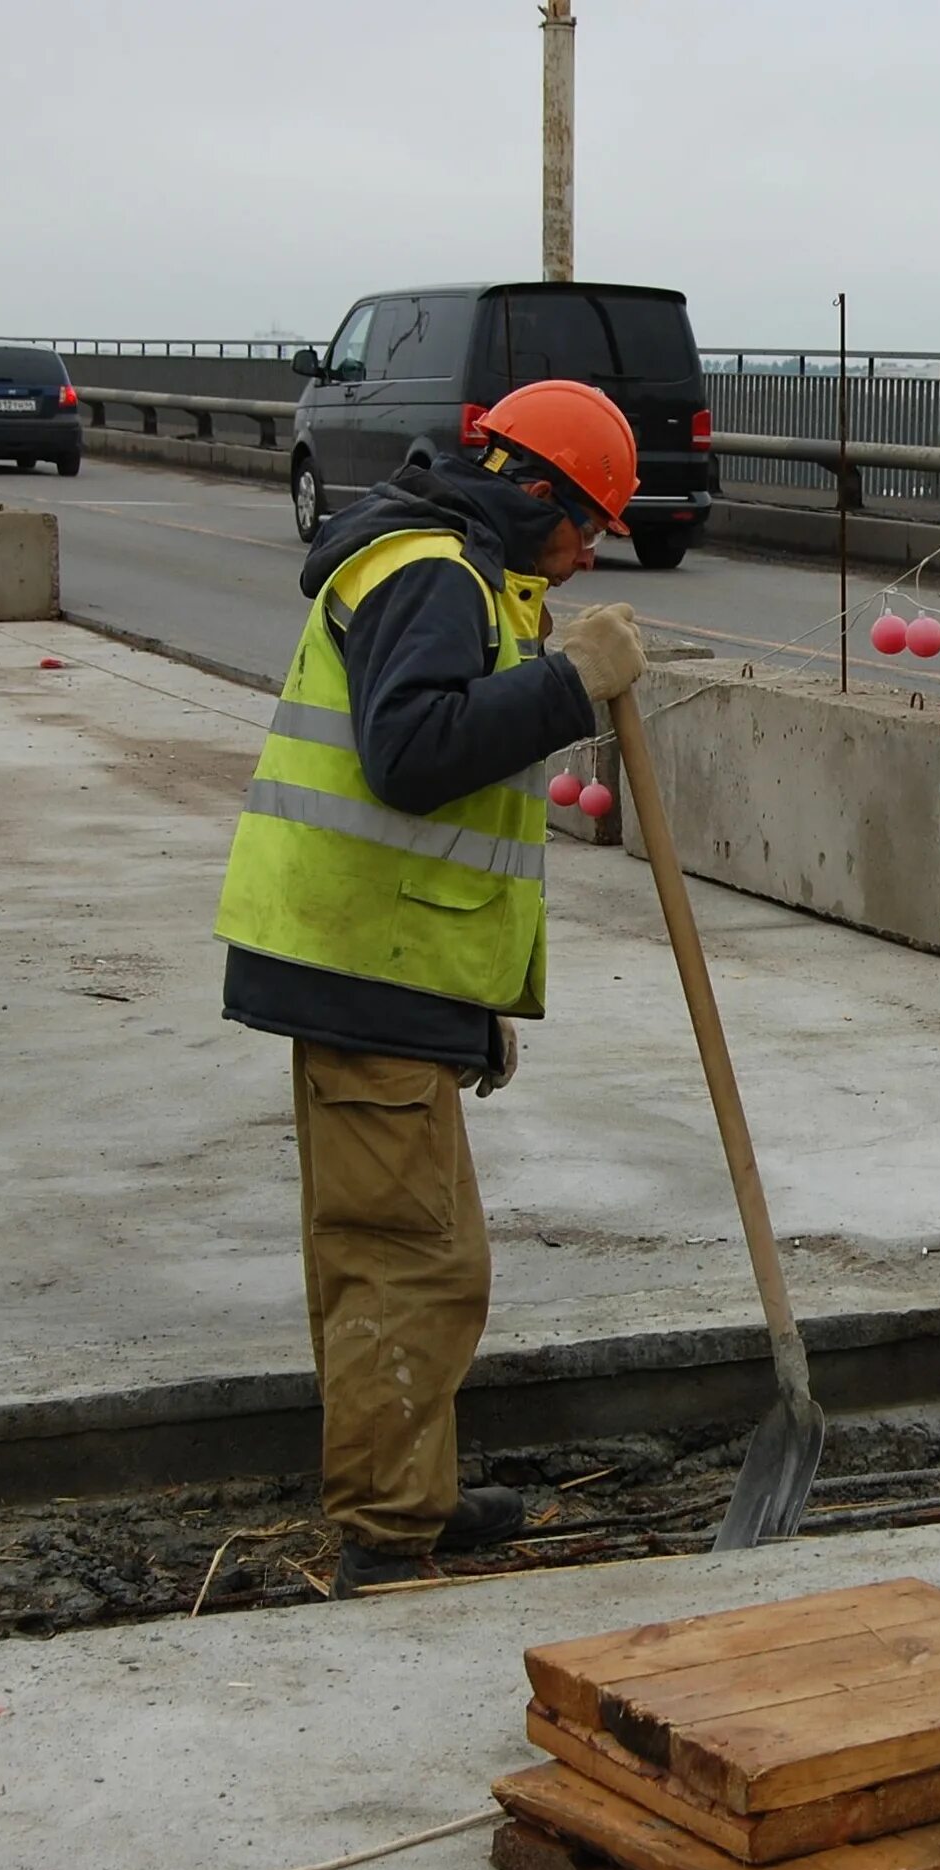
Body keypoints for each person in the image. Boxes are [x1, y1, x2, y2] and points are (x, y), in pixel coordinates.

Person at [213, 379, 650, 1596]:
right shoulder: (433, 576)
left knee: (416, 1251)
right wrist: (569, 685)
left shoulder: (453, 569)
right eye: (588, 523)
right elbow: (411, 758)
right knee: (408, 1262)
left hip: (382, 973)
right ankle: (388, 1534)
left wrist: (472, 1007)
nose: (588, 551)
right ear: (532, 492)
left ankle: (410, 1492)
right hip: (360, 973)